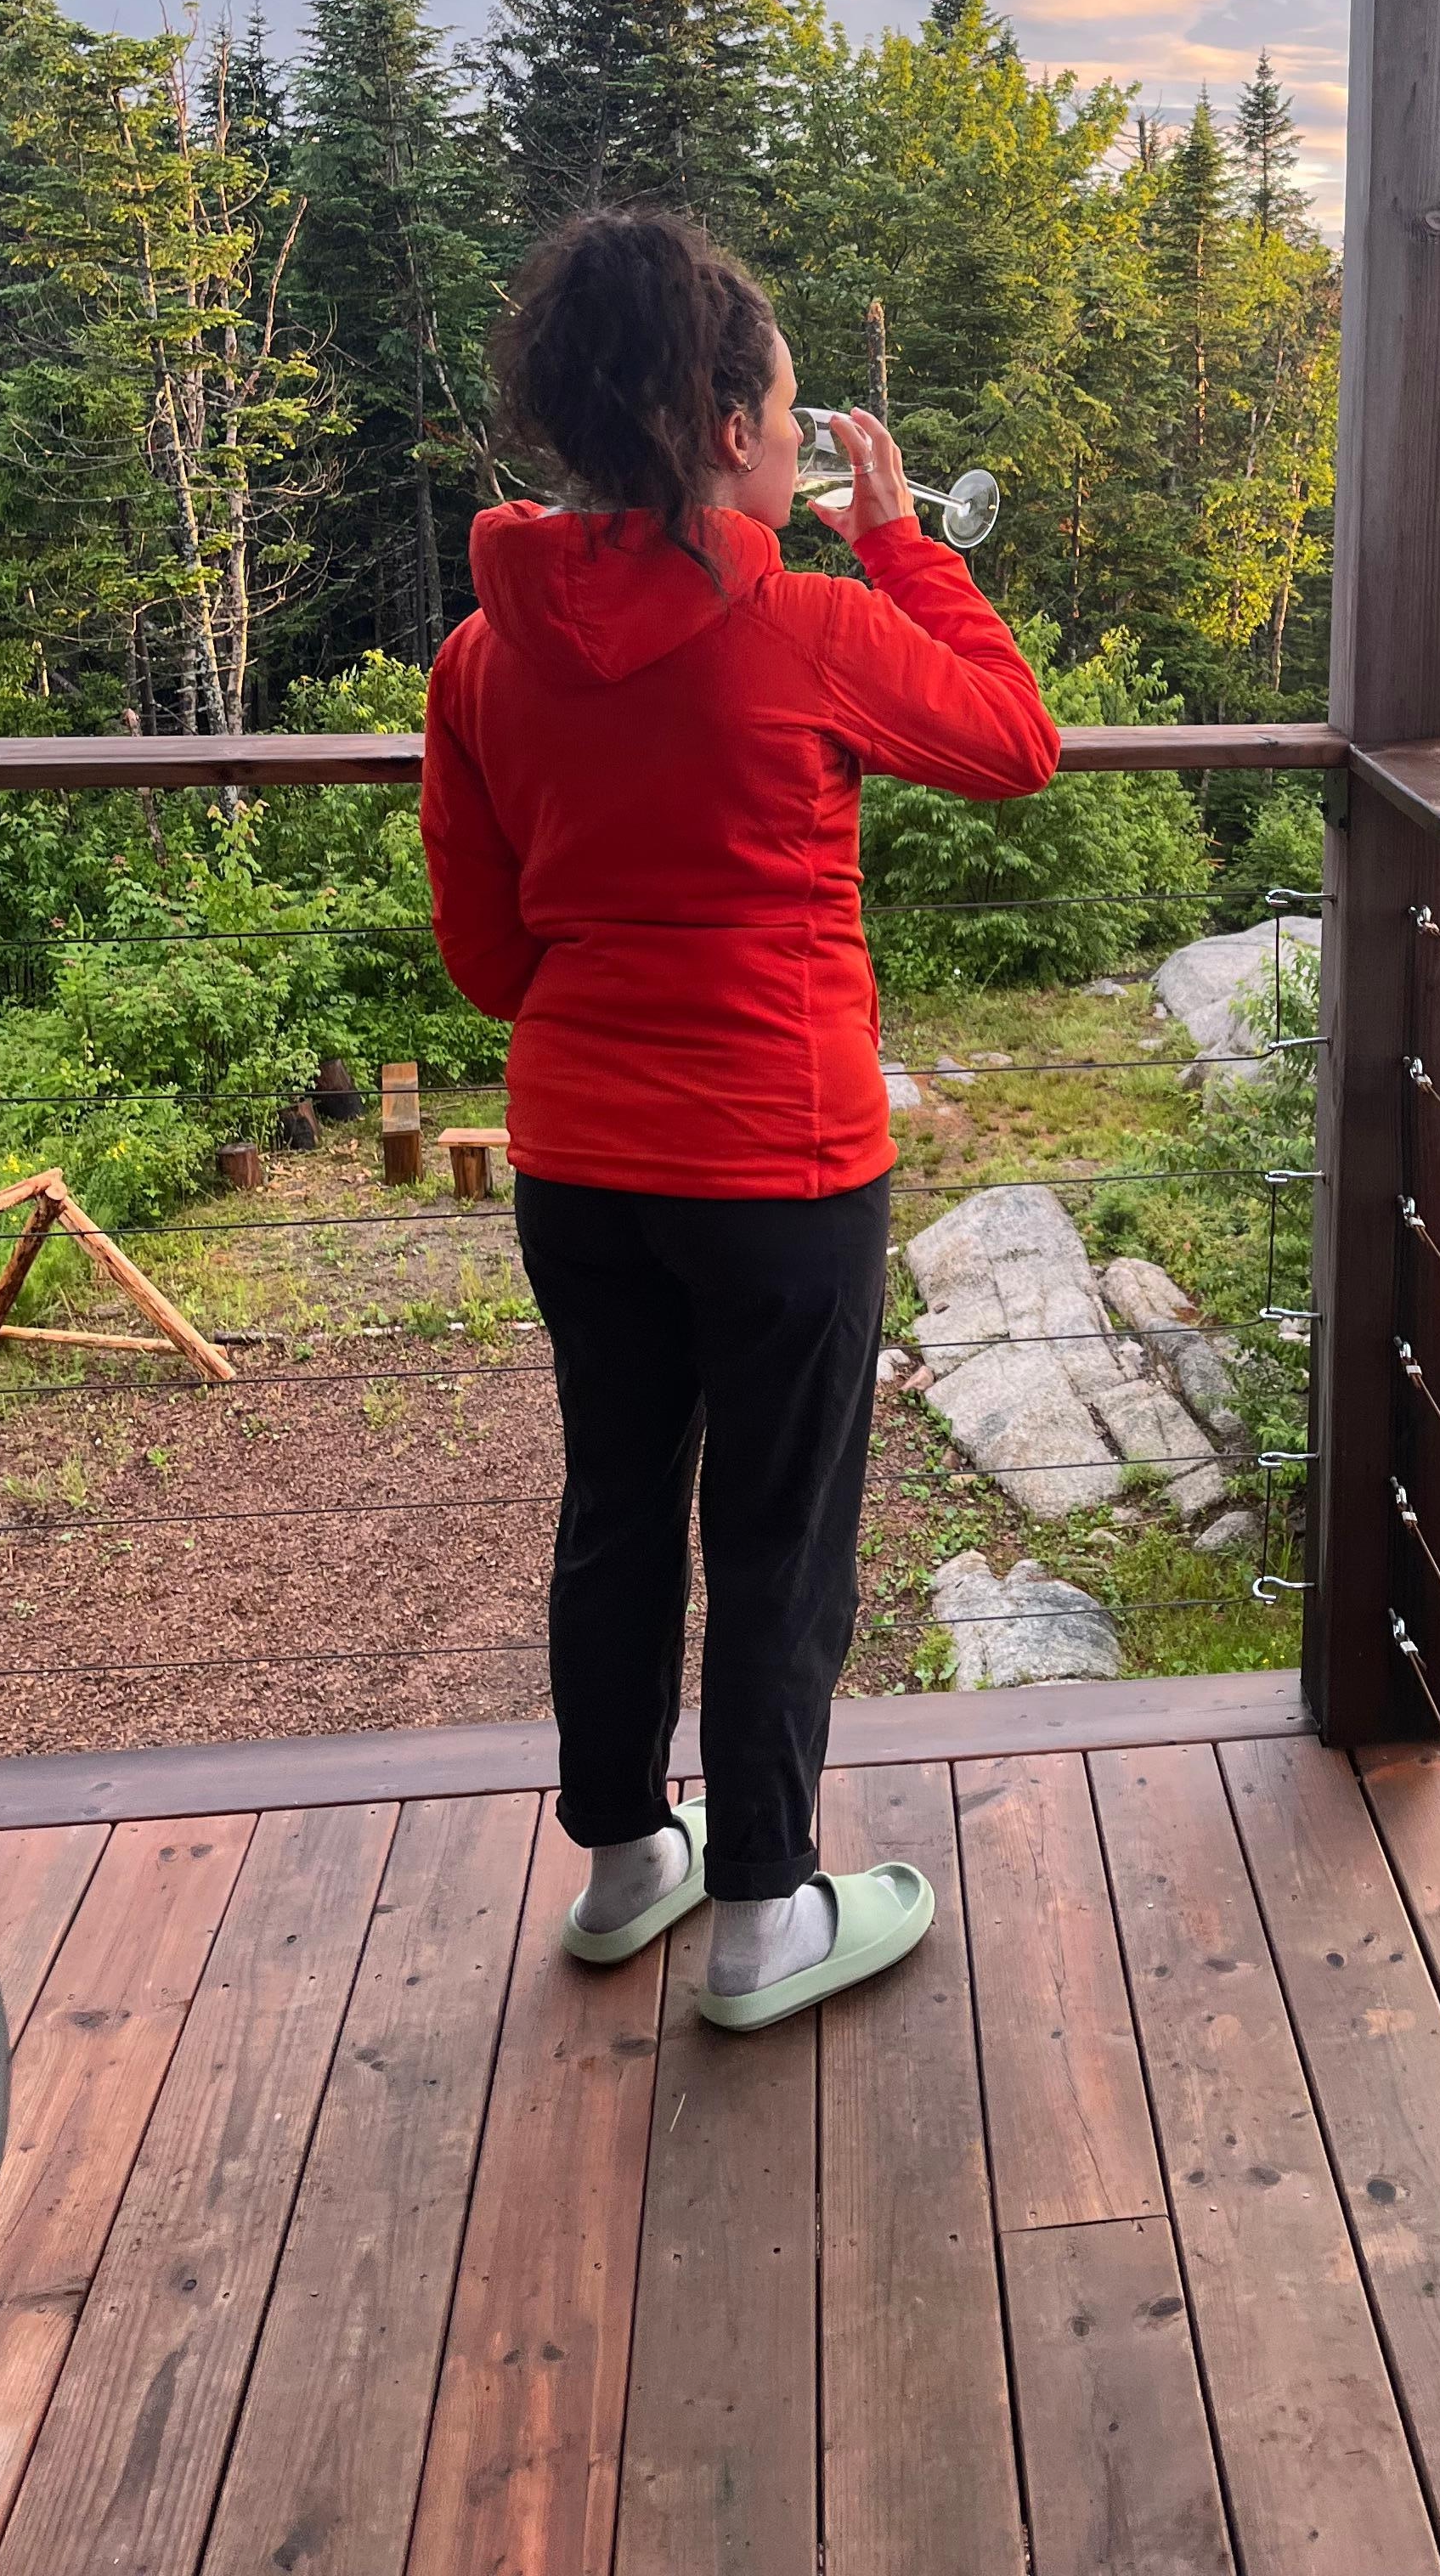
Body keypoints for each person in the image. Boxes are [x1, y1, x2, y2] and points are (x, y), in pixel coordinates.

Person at [420, 207, 1059, 2029]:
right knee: (781, 1534)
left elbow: (488, 960)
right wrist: (906, 544)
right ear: (723, 432)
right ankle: (766, 1916)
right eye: (785, 415)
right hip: (780, 1165)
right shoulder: (810, 624)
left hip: (578, 1164)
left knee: (620, 1500)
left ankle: (630, 1863)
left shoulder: (480, 657)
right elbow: (1016, 743)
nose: (800, 442)